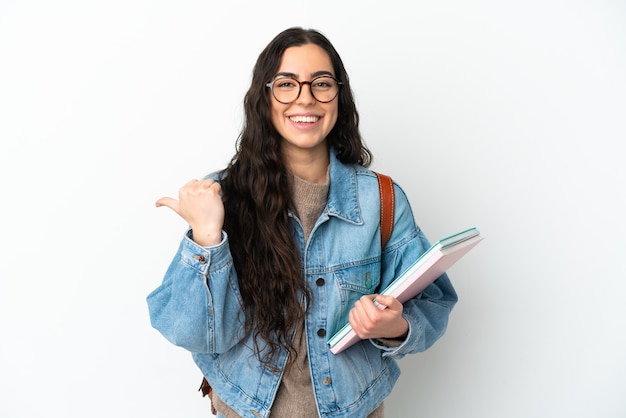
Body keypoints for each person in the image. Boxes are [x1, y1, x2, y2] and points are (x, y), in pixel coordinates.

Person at [147, 26, 458, 418]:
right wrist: (207, 239)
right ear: (264, 96)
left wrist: (393, 327)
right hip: (243, 409)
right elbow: (190, 331)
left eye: (321, 84)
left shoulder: (380, 199)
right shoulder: (221, 197)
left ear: (339, 97)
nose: (305, 98)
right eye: (286, 84)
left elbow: (433, 302)